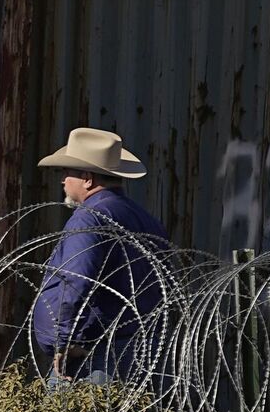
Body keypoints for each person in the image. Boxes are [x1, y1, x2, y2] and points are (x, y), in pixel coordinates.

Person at [30, 127, 169, 383]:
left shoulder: (89, 217)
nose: (62, 181)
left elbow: (72, 281)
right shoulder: (144, 219)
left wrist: (62, 342)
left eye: (66, 172)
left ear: (87, 178)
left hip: (96, 356)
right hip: (142, 349)